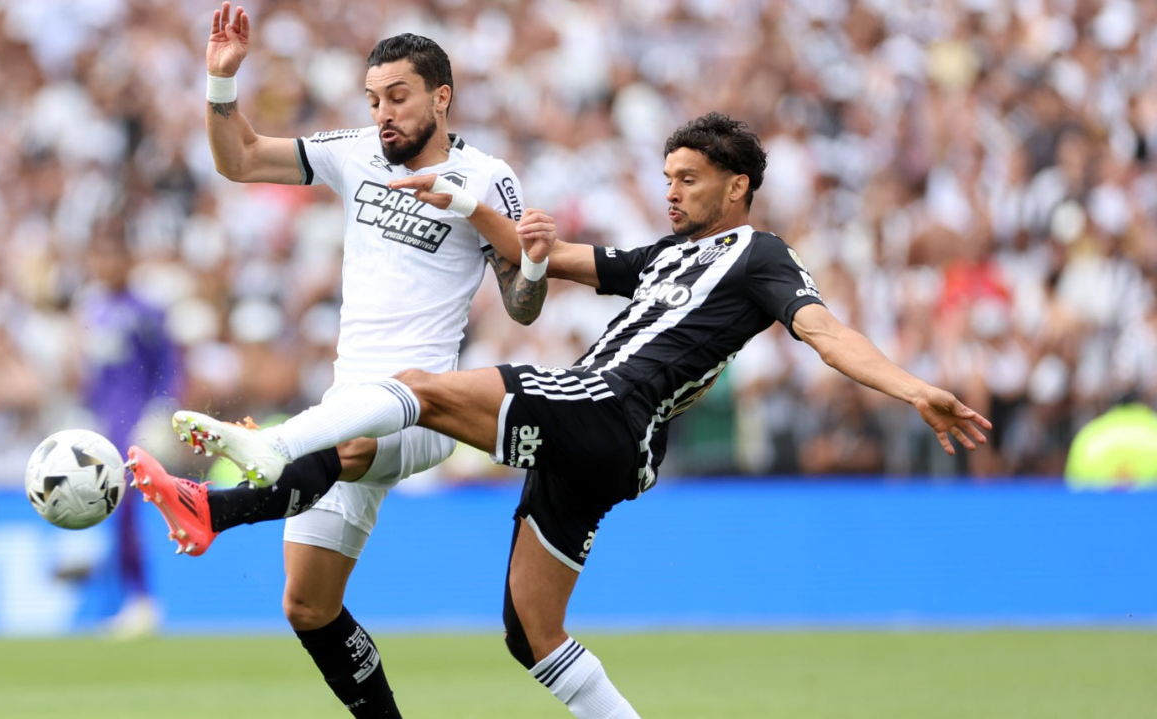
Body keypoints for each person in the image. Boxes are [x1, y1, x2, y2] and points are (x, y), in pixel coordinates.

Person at [132, 112, 993, 717]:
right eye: (667, 179)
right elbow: (558, 261)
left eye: (689, 181)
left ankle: (263, 448)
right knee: (532, 633)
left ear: (740, 187)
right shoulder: (666, 256)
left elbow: (824, 332)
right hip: (611, 452)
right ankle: (231, 498)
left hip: (607, 406)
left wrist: (910, 386)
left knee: (421, 388)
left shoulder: (759, 256)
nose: (673, 193)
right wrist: (501, 224)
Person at [130, 5, 544, 719]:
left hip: (423, 406)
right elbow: (239, 159)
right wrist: (221, 84)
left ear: (441, 96)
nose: (383, 113)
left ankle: (211, 508)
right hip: (343, 403)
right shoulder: (354, 151)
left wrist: (486, 218)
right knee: (308, 603)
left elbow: (524, 301)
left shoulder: (488, 175)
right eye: (374, 99)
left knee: (349, 438)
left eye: (399, 97)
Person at [77, 234, 181, 636]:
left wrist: (161, 409)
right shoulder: (93, 309)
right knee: (110, 512)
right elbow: (93, 376)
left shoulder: (146, 311)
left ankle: (140, 599)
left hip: (135, 424)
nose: (105, 266)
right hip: (103, 423)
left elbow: (170, 364)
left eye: (112, 256)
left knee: (129, 513)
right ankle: (127, 600)